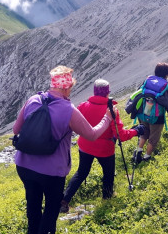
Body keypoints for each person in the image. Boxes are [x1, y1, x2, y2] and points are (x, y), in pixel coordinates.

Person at [13, 66, 114, 234]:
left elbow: (16, 129)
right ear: (67, 87)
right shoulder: (68, 109)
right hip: (52, 171)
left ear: (52, 85)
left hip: (24, 164)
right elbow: (91, 135)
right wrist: (107, 118)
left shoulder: (33, 99)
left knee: (33, 200)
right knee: (52, 206)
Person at [60, 79, 145, 213]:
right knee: (108, 173)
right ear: (107, 93)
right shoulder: (111, 110)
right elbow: (120, 135)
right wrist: (136, 131)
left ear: (94, 92)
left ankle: (64, 200)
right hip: (104, 149)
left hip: (85, 145)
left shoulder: (83, 106)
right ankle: (107, 198)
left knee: (82, 172)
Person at [133, 62, 168, 163]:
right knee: (153, 138)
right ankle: (147, 157)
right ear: (166, 74)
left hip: (143, 113)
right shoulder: (167, 87)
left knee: (144, 132)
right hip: (157, 117)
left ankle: (138, 152)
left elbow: (139, 93)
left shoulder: (147, 81)